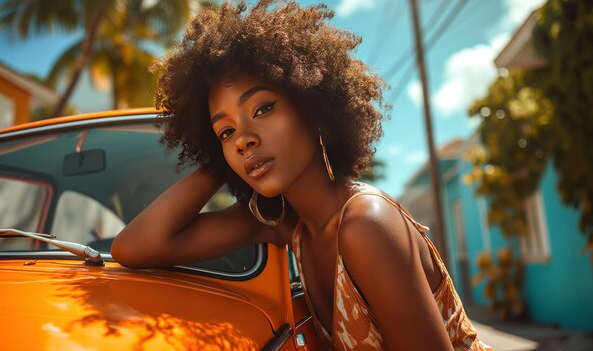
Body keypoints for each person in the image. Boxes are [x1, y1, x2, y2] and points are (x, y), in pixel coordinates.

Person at [111, 1, 493, 350]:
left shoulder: (367, 224)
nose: (243, 138)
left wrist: (231, 141)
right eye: (225, 131)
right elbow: (134, 248)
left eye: (262, 109)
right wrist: (221, 155)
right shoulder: (287, 226)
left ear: (313, 109)